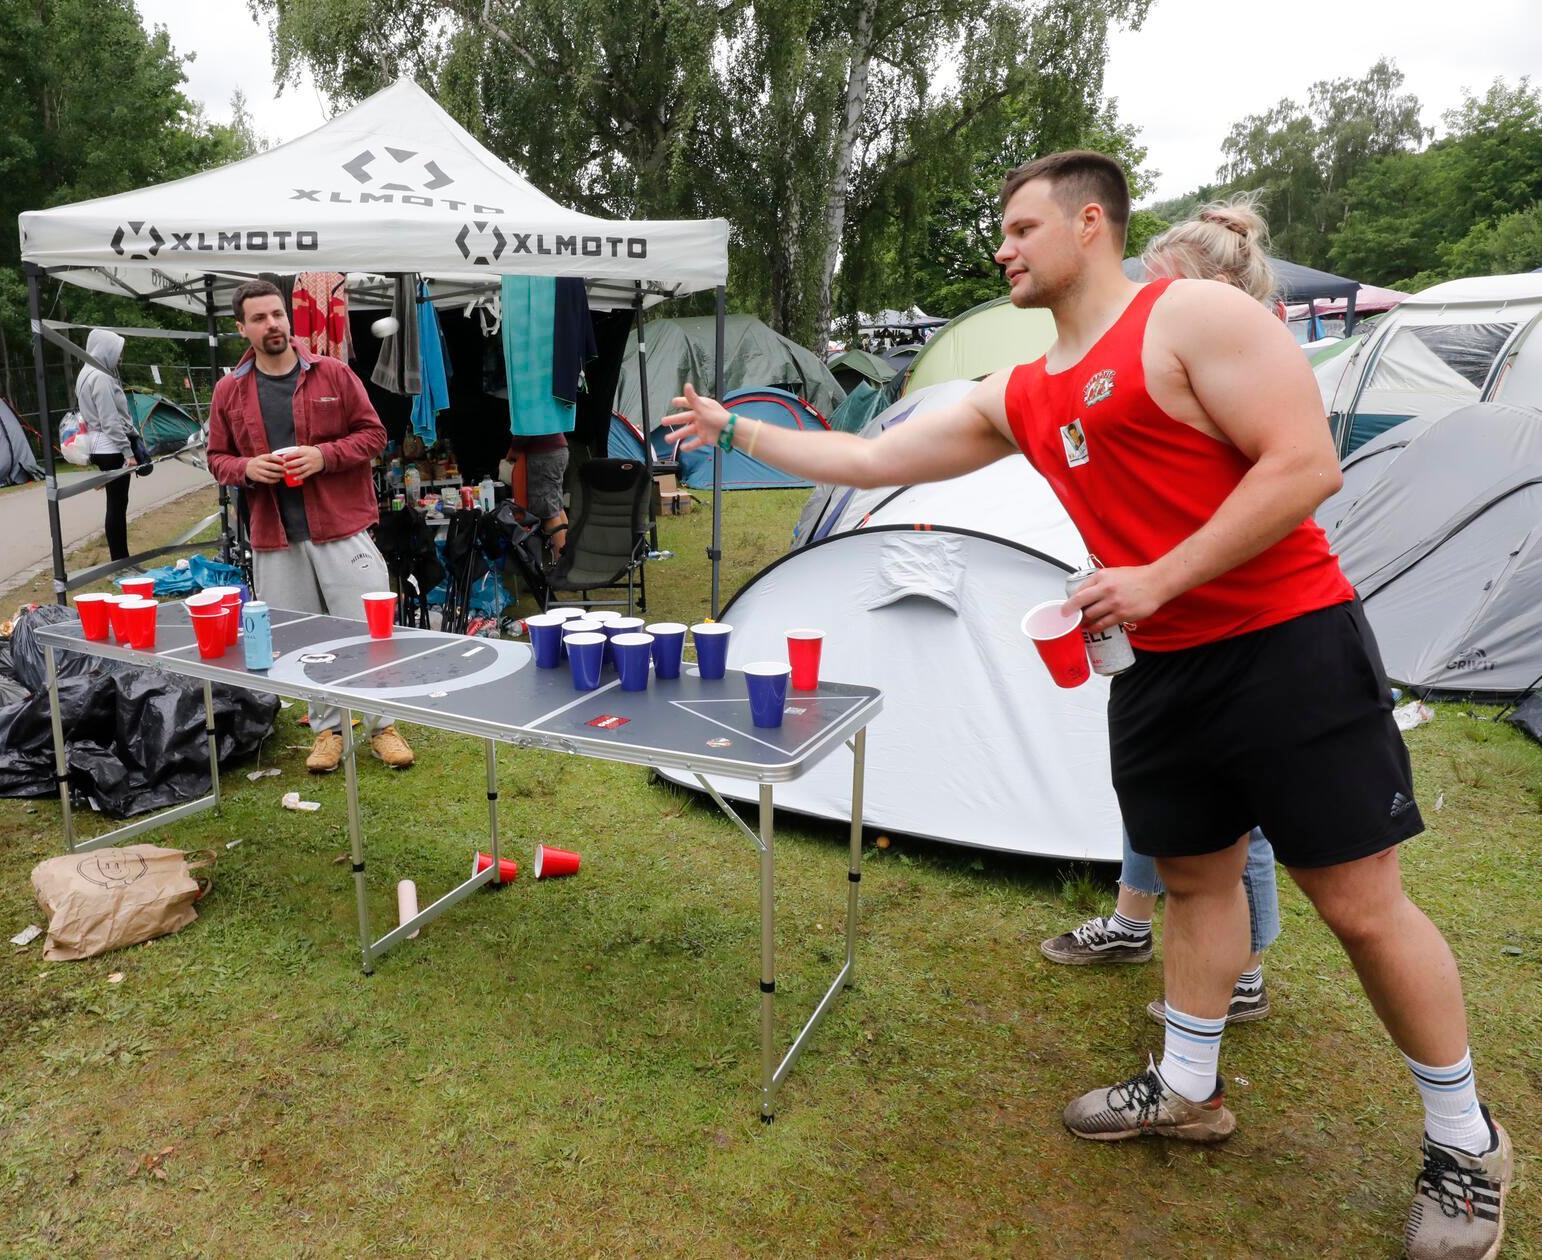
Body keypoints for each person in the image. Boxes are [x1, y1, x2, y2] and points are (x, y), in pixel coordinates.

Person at [662, 153, 1511, 1259]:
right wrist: (738, 431)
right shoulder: (1022, 390)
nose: (1004, 249)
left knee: (1359, 908)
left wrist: (1158, 577)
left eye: (1021, 228)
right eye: (1000, 233)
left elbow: (1303, 466)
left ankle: (1465, 1140)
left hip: (1286, 644)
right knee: (1198, 880)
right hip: (1156, 669)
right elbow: (870, 457)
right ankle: (1189, 1087)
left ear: (1090, 224)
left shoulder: (1191, 315)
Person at [1040, 196, 1290, 1029]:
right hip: (1157, 620)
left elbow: (1276, 493)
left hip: (1236, 628)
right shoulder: (1153, 357)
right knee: (1162, 793)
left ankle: (1246, 967)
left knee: (1238, 818)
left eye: (1162, 292)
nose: (1144, 310)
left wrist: (1166, 570)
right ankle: (1132, 922)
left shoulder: (1246, 364)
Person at [206, 279, 414, 773]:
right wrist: (246, 469)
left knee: (368, 631)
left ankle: (382, 725)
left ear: (288, 318)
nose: (271, 324)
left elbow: (374, 435)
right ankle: (327, 732)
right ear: (243, 328)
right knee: (305, 640)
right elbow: (217, 457)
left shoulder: (333, 374)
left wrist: (323, 456)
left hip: (341, 528)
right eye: (259, 318)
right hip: (276, 536)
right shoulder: (229, 390)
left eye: (277, 314)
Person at [74, 327, 137, 563]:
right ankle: (120, 560)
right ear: (105, 350)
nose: (120, 357)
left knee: (116, 503)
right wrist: (128, 452)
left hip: (100, 446)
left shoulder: (85, 373)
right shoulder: (100, 377)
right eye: (117, 351)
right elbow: (109, 420)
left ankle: (120, 558)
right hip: (111, 447)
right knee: (117, 506)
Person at [509, 432, 569, 555]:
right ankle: (571, 556)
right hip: (559, 448)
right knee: (557, 507)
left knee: (549, 514)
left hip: (543, 454)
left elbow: (526, 426)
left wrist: (514, 449)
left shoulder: (530, 411)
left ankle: (562, 564)